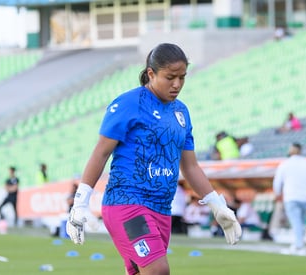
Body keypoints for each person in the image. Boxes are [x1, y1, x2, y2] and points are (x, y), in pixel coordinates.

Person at [65, 43, 242, 275]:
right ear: (151, 73)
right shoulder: (128, 104)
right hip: (127, 203)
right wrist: (79, 203)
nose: (177, 84)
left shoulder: (181, 112)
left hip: (161, 209)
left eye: (182, 77)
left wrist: (217, 205)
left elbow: (190, 166)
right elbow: (101, 153)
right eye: (170, 77)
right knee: (158, 270)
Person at [273, 143, 306, 255]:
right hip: (305, 197)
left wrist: (277, 193)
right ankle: (298, 243)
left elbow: (277, 181)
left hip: (291, 197)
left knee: (296, 222)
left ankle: (298, 245)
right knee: (300, 222)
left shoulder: (285, 164)